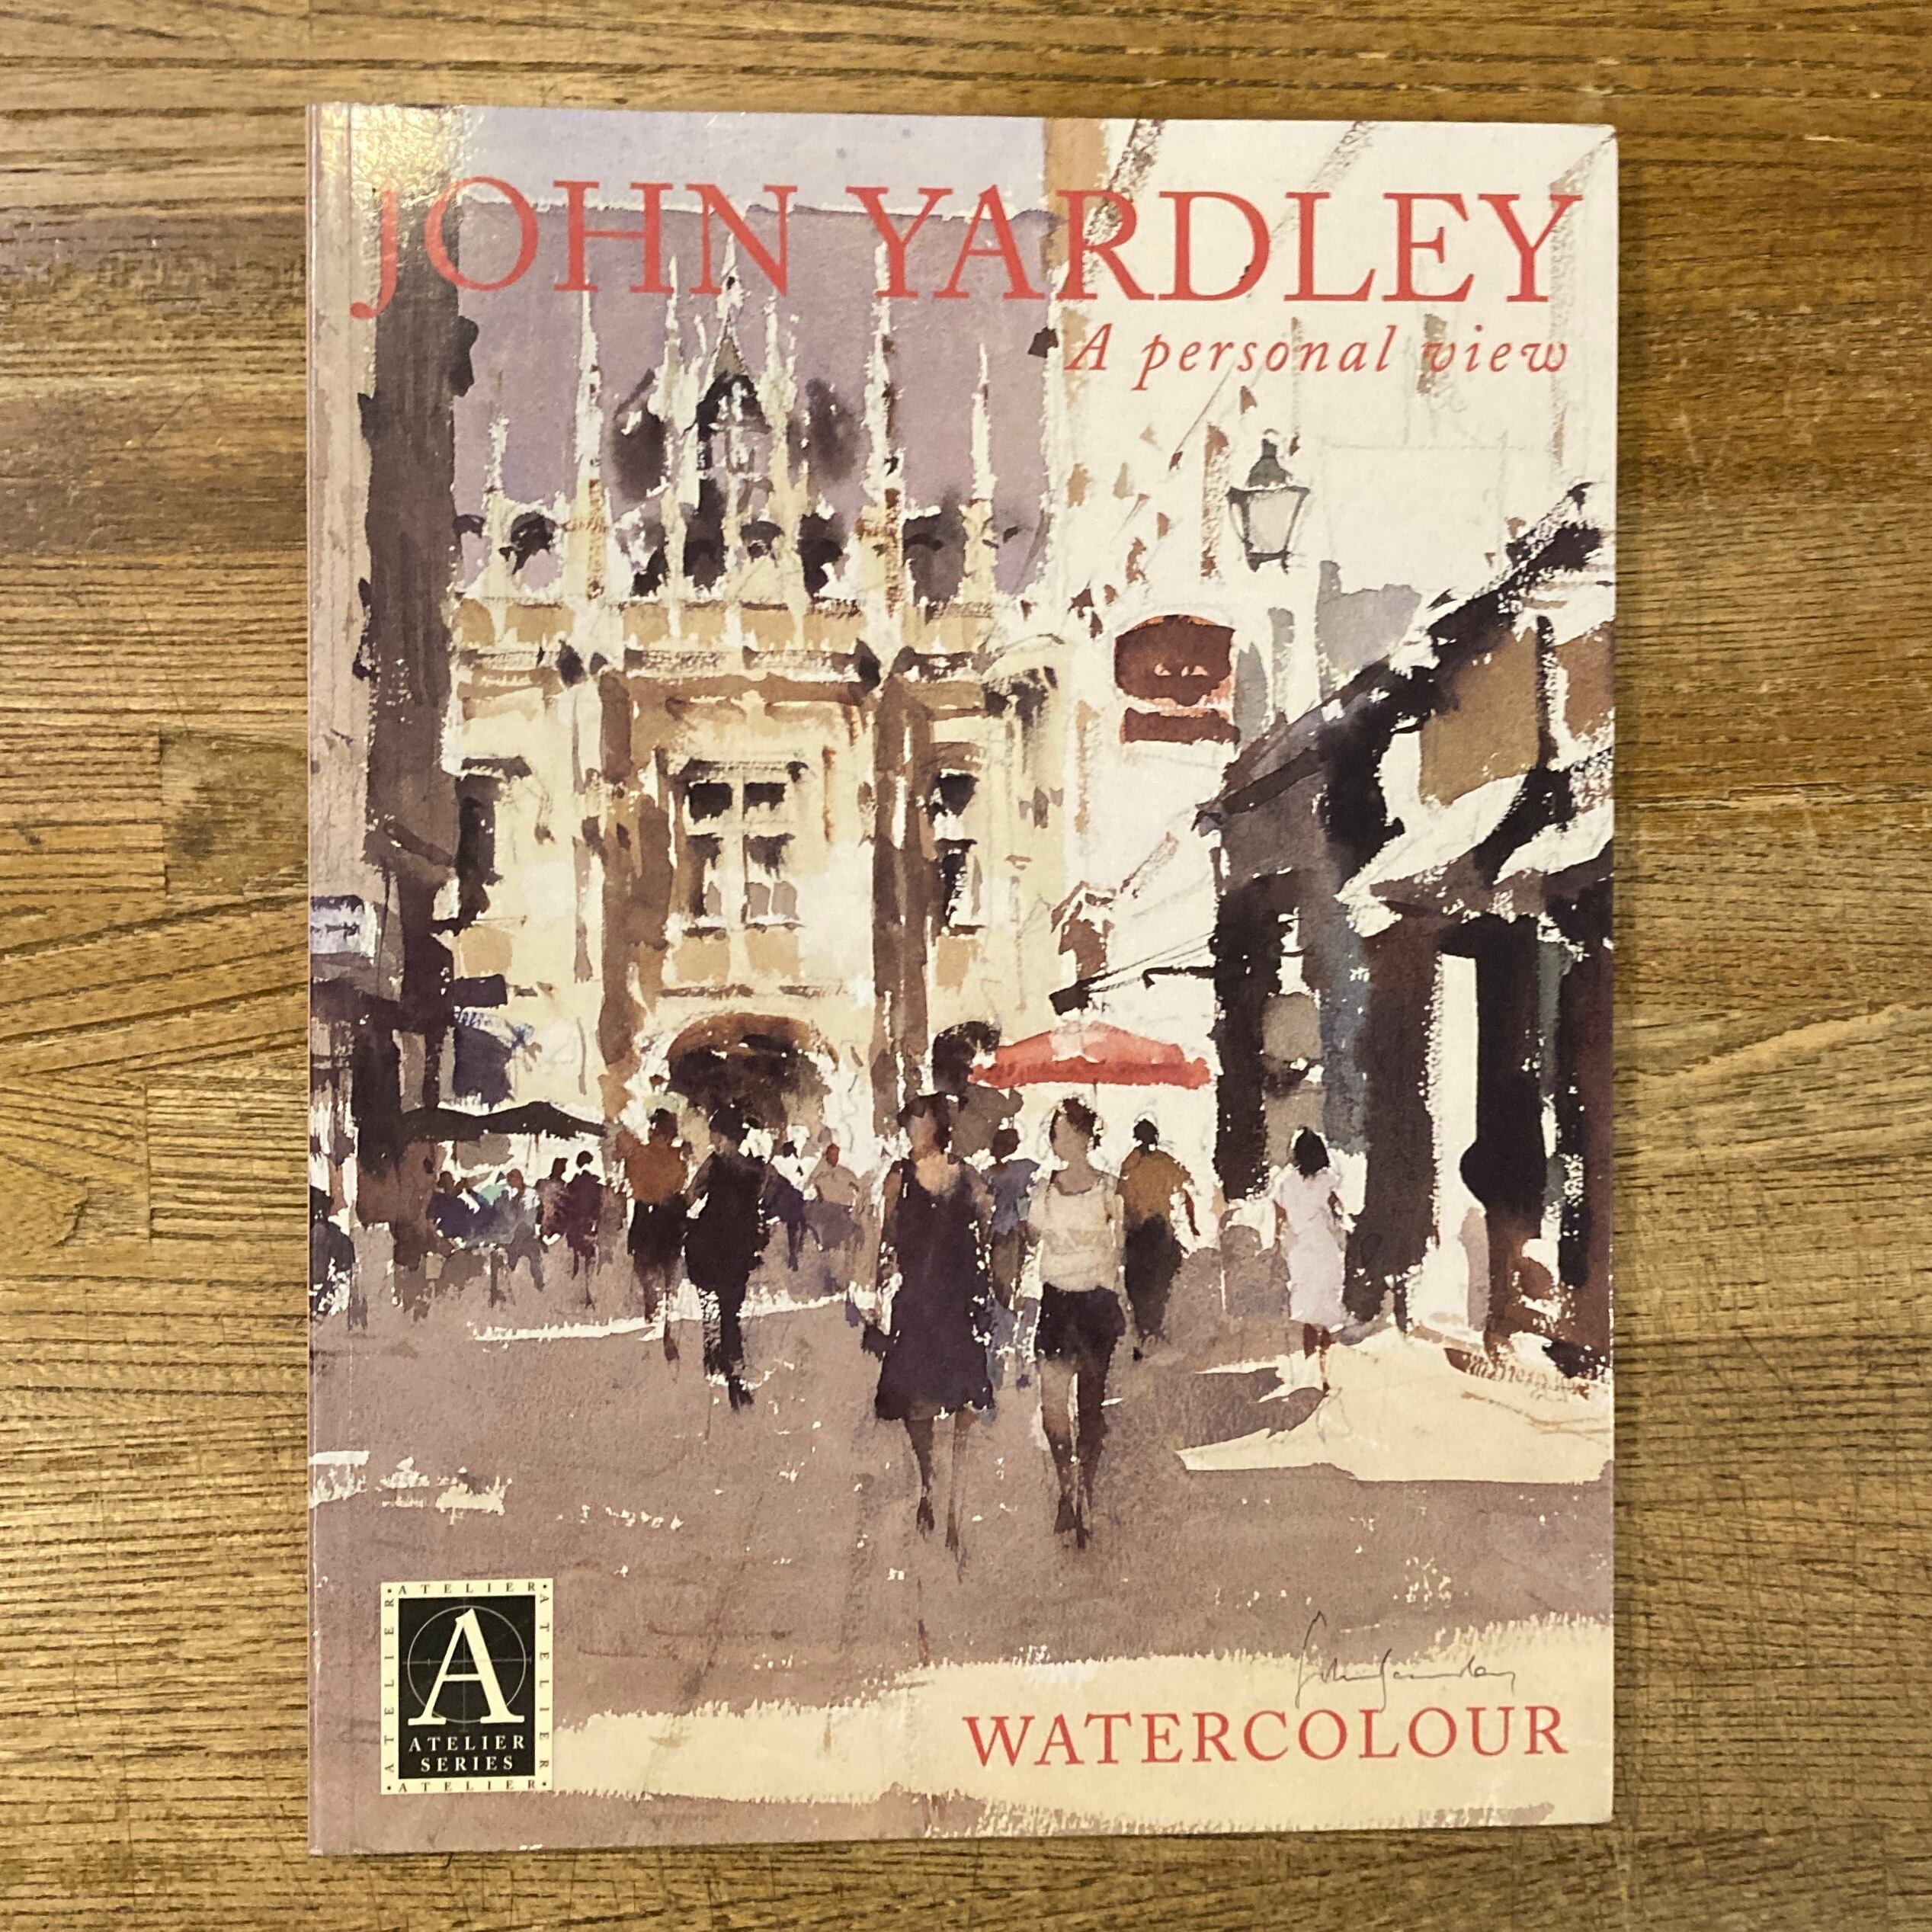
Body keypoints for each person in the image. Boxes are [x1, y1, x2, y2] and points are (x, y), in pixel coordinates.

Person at [871, 1094, 996, 1558]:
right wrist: (878, 1289)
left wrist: (983, 1276)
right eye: (911, 1123)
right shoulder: (898, 1177)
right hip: (917, 1300)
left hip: (957, 1298)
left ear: (938, 1125)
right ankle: (929, 1478)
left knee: (964, 1393)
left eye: (920, 1122)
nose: (914, 1130)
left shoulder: (967, 1175)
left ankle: (954, 1500)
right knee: (914, 1399)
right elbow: (887, 1238)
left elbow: (987, 1224)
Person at [1027, 1097, 1126, 1549]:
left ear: (1087, 1136)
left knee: (1090, 1409)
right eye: (1057, 1133)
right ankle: (1067, 1486)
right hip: (1056, 1303)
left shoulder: (1109, 1188)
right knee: (1052, 1407)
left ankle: (1084, 1490)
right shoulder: (1044, 1189)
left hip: (1095, 1306)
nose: (1061, 1140)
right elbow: (1033, 1237)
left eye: (1069, 1132)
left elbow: (1120, 1247)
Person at [684, 1107, 772, 1409]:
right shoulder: (756, 1170)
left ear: (724, 1136)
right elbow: (760, 1202)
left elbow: (691, 1196)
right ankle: (733, 1370)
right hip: (739, 1246)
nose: (712, 1139)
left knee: (711, 1299)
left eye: (714, 1133)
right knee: (730, 1309)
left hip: (712, 1243)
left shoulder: (715, 1165)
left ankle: (713, 1351)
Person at [1118, 1118, 1199, 1357]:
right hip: (1157, 1232)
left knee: (1139, 1286)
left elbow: (1120, 1202)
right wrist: (1192, 1224)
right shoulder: (1163, 1161)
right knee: (1161, 1282)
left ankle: (1145, 1333)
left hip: (1139, 1234)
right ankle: (1153, 1331)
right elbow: (1187, 1190)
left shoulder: (1130, 1164)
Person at [1272, 1127, 1347, 1382]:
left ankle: (1309, 1368)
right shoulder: (1328, 1180)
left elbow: (1280, 1219)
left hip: (1301, 1250)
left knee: (1307, 1311)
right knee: (1326, 1309)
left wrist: (1278, 1244)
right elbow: (1339, 1212)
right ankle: (1325, 1372)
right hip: (1326, 1248)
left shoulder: (1285, 1182)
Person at [621, 1110, 687, 1360]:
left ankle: (653, 1302)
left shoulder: (638, 1155)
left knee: (644, 1265)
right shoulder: (676, 1158)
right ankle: (666, 1310)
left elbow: (632, 1182)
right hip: (668, 1217)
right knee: (669, 1269)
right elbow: (679, 1185)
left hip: (645, 1216)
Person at [982, 1125, 1040, 1387]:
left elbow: (1023, 1203)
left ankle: (1005, 1342)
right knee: (1003, 1286)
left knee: (1005, 1286)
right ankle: (1003, 1340)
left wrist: (1027, 1230)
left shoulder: (1013, 1172)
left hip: (1008, 1234)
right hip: (1002, 1235)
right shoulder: (993, 1175)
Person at [805, 1141, 865, 1291]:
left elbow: (858, 1188)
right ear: (827, 1155)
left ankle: (840, 1281)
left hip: (841, 1213)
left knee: (843, 1247)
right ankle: (830, 1281)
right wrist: (819, 1194)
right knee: (830, 1248)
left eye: (837, 1155)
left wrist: (853, 1192)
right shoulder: (818, 1172)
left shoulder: (844, 1173)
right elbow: (810, 1188)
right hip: (826, 1215)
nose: (835, 1158)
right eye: (832, 1154)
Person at [559, 1152, 604, 1294]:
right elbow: (599, 1208)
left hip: (575, 1227)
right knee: (590, 1258)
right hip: (589, 1226)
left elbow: (566, 1207)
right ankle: (588, 1291)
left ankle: (576, 1288)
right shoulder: (597, 1187)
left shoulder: (571, 1186)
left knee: (576, 1256)